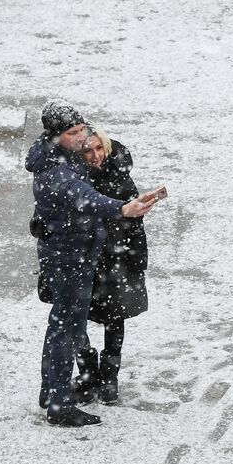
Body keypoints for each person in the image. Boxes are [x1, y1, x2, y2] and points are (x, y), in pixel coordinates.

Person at [26, 102, 155, 427]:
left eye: (81, 128)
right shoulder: (57, 172)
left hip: (71, 252)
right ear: (56, 137)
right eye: (73, 133)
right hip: (70, 258)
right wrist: (124, 209)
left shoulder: (57, 154)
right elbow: (85, 197)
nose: (81, 136)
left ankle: (51, 393)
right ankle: (59, 404)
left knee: (61, 327)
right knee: (66, 330)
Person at [76, 126, 150, 405]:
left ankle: (108, 378)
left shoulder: (120, 175)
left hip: (114, 258)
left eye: (98, 148)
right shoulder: (72, 179)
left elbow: (134, 224)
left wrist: (136, 259)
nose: (95, 156)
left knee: (114, 318)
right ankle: (87, 373)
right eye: (87, 151)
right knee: (75, 318)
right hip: (84, 257)